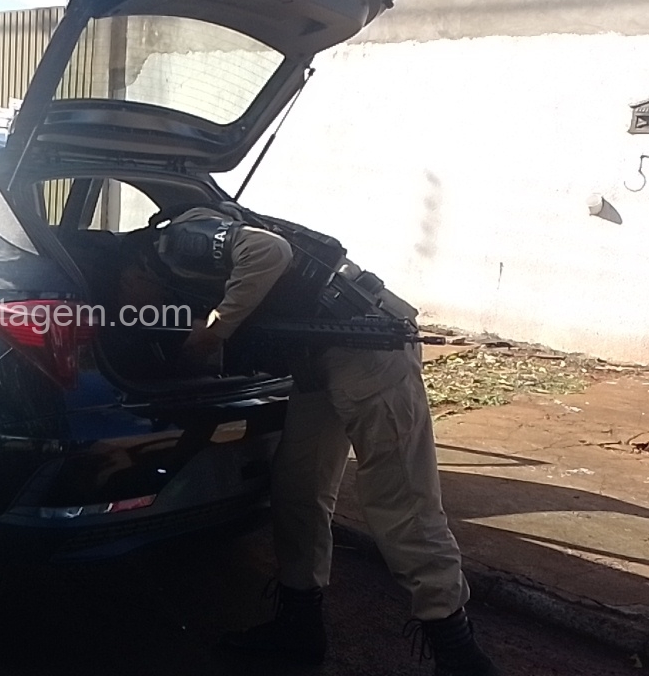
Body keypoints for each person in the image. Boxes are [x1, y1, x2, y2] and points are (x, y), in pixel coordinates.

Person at [151, 204, 500, 676]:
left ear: (133, 265)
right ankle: (299, 626)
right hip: (317, 364)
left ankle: (457, 650)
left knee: (402, 503)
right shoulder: (188, 248)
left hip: (370, 352)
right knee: (298, 490)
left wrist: (211, 334)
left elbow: (269, 252)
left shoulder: (178, 240)